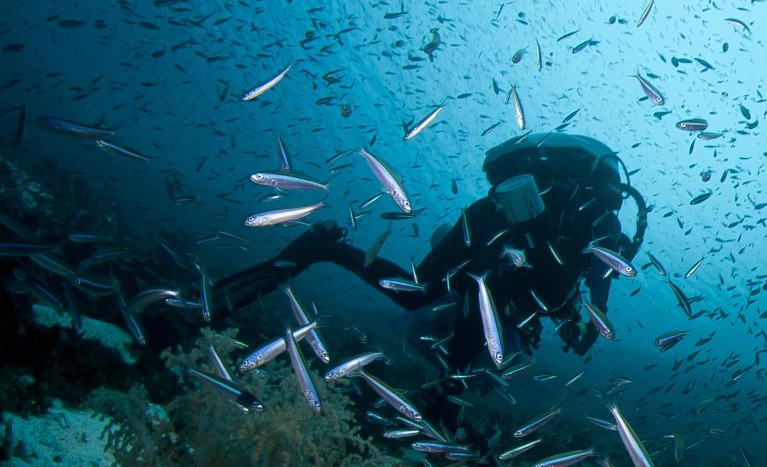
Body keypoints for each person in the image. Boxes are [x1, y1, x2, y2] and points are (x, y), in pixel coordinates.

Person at [194, 132, 646, 426]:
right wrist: (589, 317)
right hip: (497, 243)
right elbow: (594, 281)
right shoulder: (604, 225)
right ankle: (444, 407)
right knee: (467, 306)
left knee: (423, 293)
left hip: (487, 224)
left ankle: (324, 248)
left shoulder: (583, 216)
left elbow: (581, 279)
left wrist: (579, 312)